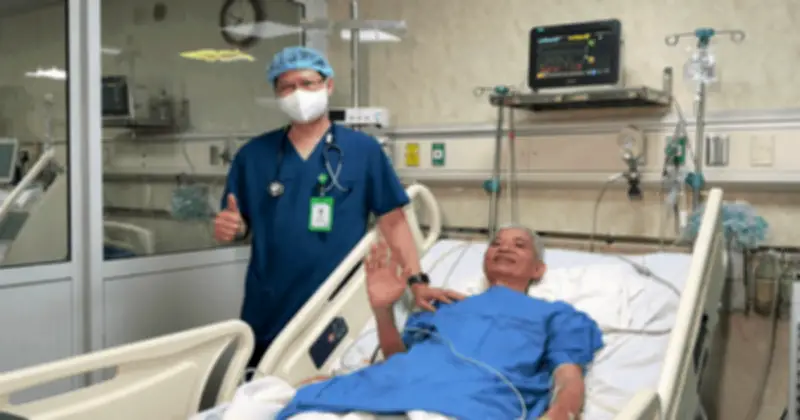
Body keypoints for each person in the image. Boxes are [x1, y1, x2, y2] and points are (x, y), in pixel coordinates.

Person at [213, 46, 462, 369]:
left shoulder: (363, 150)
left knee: (329, 377)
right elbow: (238, 224)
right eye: (287, 87)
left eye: (307, 83)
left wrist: (418, 282)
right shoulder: (253, 155)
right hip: (270, 300)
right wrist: (233, 229)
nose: (298, 93)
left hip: (336, 301)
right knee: (261, 379)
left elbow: (393, 221)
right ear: (277, 94)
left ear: (328, 85)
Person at [276, 226, 604, 420]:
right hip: (381, 396)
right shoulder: (443, 305)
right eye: (496, 243)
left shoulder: (556, 315)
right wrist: (383, 310)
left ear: (538, 270)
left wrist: (559, 414)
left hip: (468, 408)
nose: (504, 247)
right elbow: (398, 361)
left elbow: (568, 377)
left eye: (519, 245)